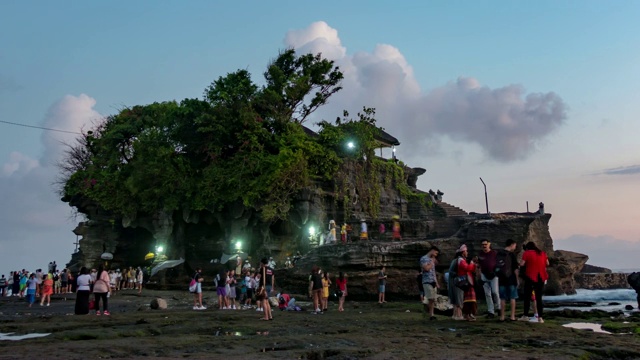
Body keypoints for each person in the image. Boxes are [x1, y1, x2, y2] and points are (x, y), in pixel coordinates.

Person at [519, 242, 549, 323]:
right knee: (539, 298)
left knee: (527, 297)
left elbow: (522, 264)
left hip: (530, 276)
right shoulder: (542, 253)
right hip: (541, 277)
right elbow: (547, 263)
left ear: (528, 248)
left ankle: (525, 315)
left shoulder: (527, 253)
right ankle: (540, 318)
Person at [476, 239, 500, 318]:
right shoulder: (480, 254)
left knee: (495, 292)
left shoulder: (494, 253)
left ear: (489, 244)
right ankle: (491, 311)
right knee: (487, 294)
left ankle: (498, 307)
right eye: (483, 244)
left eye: (485, 244)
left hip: (494, 275)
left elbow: (499, 263)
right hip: (484, 274)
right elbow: (478, 265)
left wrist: (496, 271)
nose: (484, 246)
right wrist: (479, 276)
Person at [498, 239, 519, 321]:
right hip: (511, 279)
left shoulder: (499, 253)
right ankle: (512, 316)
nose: (515, 246)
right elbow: (515, 269)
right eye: (515, 245)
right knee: (512, 297)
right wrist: (517, 279)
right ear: (512, 244)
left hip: (501, 279)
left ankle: (502, 317)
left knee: (502, 298)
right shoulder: (512, 255)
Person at [457, 244, 478, 321]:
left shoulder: (463, 260)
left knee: (471, 298)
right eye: (466, 251)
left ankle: (469, 313)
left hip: (468, 281)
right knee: (468, 299)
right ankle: (467, 314)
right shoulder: (461, 260)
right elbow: (467, 268)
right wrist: (472, 263)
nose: (467, 253)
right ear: (463, 252)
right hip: (465, 282)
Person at [419, 246, 440, 320]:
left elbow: (433, 272)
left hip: (433, 281)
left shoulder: (432, 259)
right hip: (426, 281)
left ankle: (431, 314)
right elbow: (426, 268)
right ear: (432, 251)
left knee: (433, 299)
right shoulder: (424, 258)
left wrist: (436, 282)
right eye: (436, 253)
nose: (436, 255)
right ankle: (429, 313)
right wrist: (432, 262)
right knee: (430, 298)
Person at [448, 250, 464, 320]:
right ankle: (458, 315)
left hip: (452, 282)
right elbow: (452, 272)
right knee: (459, 298)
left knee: (455, 299)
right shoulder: (458, 260)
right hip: (457, 282)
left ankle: (455, 315)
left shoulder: (453, 261)